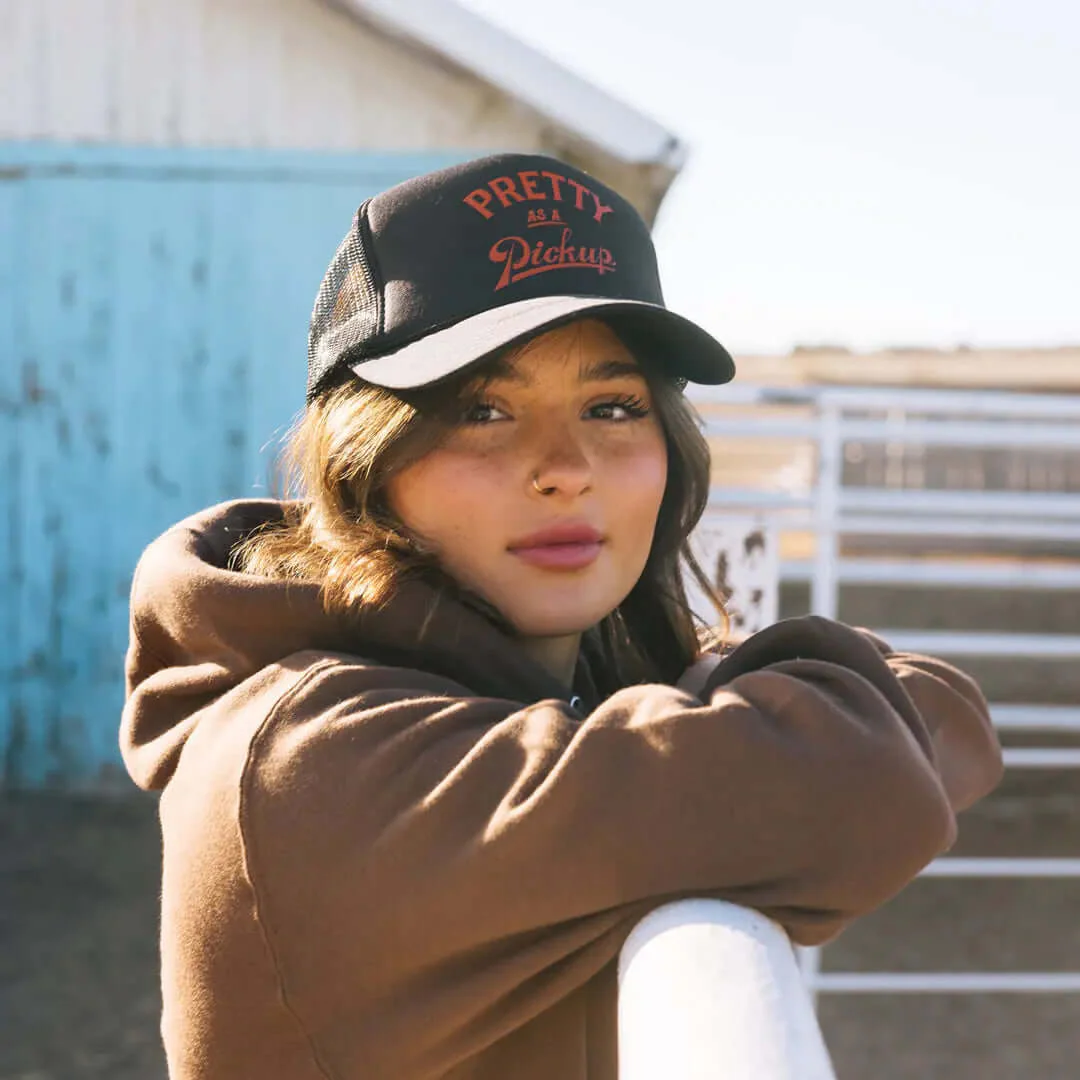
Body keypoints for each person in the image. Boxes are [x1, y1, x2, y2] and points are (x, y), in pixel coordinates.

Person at [120, 153, 1003, 1080]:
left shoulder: (545, 685)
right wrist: (731, 692)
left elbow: (949, 710)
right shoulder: (314, 761)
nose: (565, 466)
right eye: (483, 409)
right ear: (365, 461)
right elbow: (869, 779)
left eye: (614, 405)